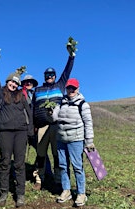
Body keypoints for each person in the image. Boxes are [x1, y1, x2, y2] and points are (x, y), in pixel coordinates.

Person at [0, 47, 34, 208]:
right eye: (11, 81)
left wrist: (30, 132)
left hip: (21, 133)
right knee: (5, 162)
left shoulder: (21, 96)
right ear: (7, 82)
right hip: (5, 133)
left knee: (20, 164)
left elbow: (28, 113)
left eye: (16, 82)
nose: (13, 84)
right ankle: (4, 192)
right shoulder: (1, 94)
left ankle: (20, 194)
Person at [31, 37, 77, 192]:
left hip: (56, 126)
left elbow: (67, 71)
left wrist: (71, 56)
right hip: (42, 126)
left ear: (55, 76)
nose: (49, 76)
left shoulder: (60, 85)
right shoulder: (38, 90)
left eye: (52, 74)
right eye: (47, 74)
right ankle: (39, 179)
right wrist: (33, 127)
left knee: (58, 155)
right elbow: (32, 109)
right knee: (40, 154)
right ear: (44, 76)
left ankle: (59, 180)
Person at [50, 78, 94, 206]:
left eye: (73, 88)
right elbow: (54, 118)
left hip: (76, 139)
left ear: (78, 89)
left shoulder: (83, 104)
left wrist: (89, 141)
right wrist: (51, 112)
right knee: (63, 166)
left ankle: (81, 193)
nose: (71, 90)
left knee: (77, 167)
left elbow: (88, 123)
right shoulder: (60, 103)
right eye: (69, 87)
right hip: (61, 139)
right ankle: (66, 190)